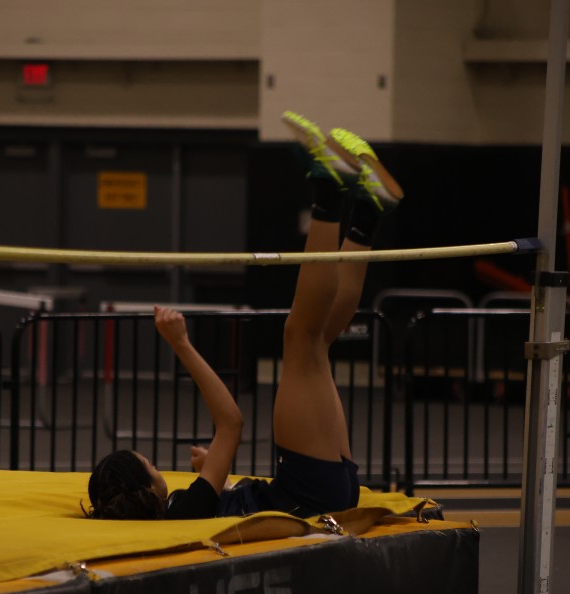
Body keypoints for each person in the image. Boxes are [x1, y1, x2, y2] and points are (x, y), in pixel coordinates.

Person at [85, 111, 403, 520]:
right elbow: (231, 423)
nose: (156, 464)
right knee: (300, 336)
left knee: (319, 339)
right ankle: (327, 192)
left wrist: (218, 477)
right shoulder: (184, 507)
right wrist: (181, 344)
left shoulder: (180, 509)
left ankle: (367, 216)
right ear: (142, 486)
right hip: (303, 495)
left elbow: (234, 505)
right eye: (149, 464)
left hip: (324, 492)